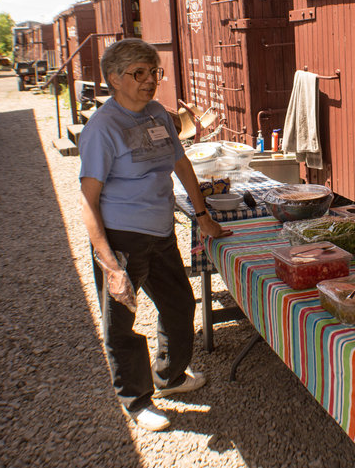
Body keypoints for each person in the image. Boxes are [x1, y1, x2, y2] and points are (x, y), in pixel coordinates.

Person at [79, 38, 231, 432]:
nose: (150, 81)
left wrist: (202, 215)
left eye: (154, 73)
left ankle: (170, 377)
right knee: (120, 322)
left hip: (161, 232)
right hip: (122, 238)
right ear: (114, 78)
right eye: (139, 74)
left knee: (180, 305)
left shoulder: (158, 115)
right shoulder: (102, 128)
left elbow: (180, 164)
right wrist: (109, 262)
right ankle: (136, 399)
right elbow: (88, 201)